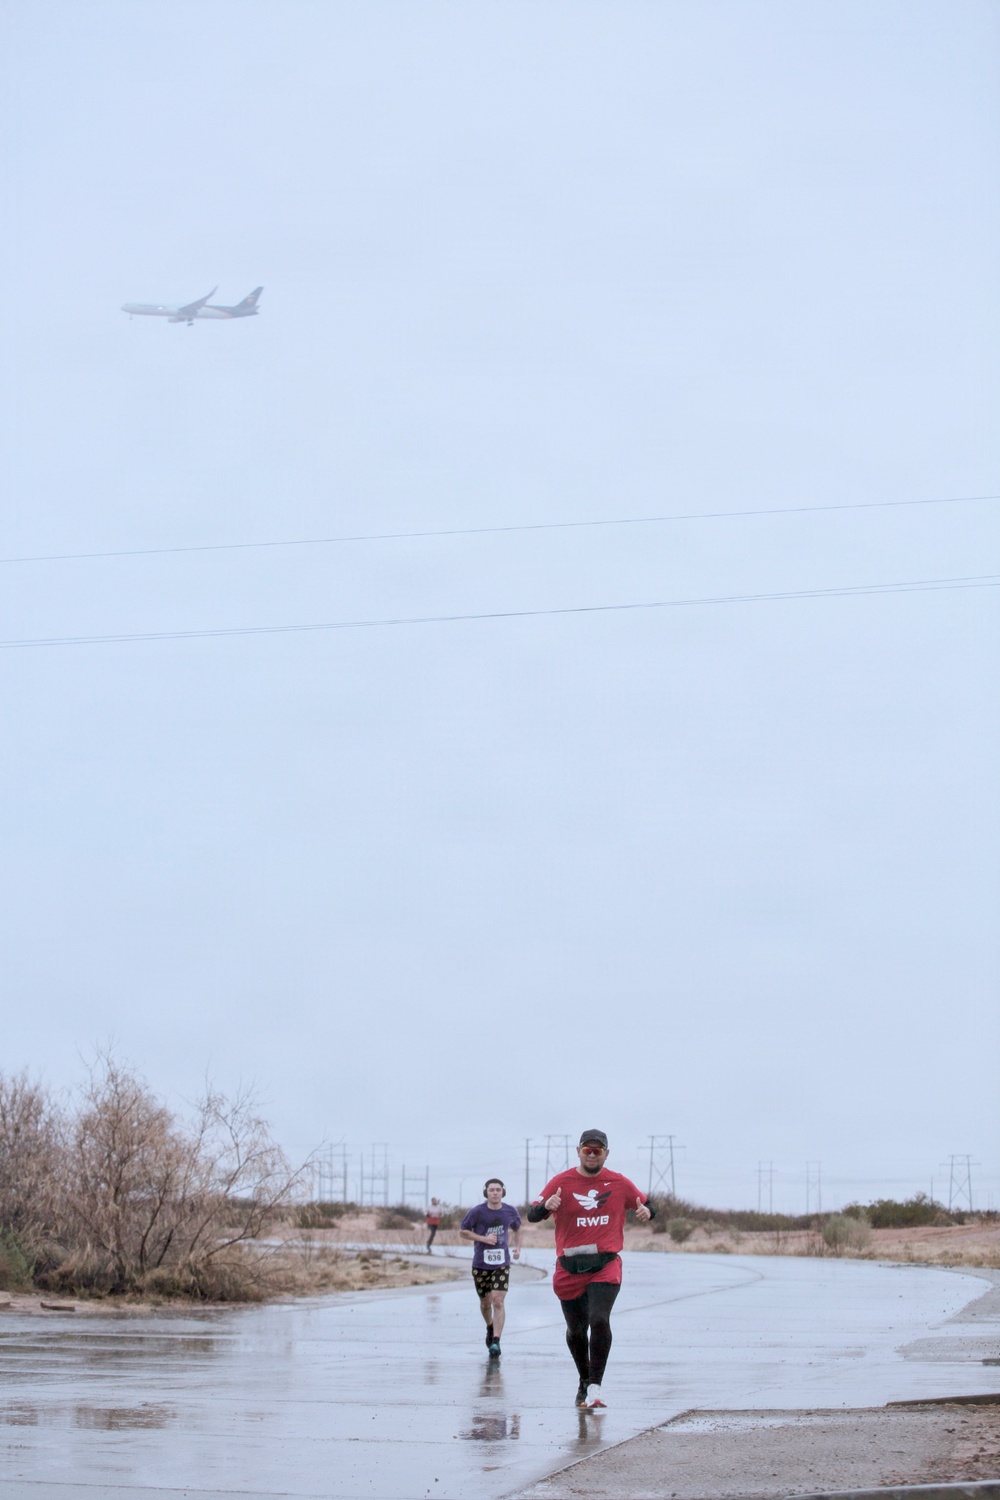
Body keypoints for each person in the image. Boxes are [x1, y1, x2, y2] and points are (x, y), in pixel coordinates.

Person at [526, 1129, 652, 1410]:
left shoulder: (618, 1182)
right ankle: (584, 1380)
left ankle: (596, 1385)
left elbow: (647, 1202)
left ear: (606, 1153)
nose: (592, 1155)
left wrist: (648, 1212)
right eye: (588, 1150)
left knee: (598, 1319)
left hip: (605, 1265)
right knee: (576, 1330)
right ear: (579, 1151)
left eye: (598, 1150)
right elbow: (532, 1214)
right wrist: (547, 1205)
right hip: (569, 1266)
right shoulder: (561, 1181)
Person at [460, 1178, 522, 1358]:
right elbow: (463, 1231)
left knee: (498, 1301)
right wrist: (483, 1239)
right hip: (481, 1264)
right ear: (486, 1193)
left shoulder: (510, 1211)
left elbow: (518, 1229)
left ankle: (496, 1340)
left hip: (502, 1263)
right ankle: (489, 1326)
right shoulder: (477, 1212)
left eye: (498, 1190)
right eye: (491, 1190)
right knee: (485, 1302)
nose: (495, 1193)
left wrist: (517, 1248)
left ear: (503, 1192)